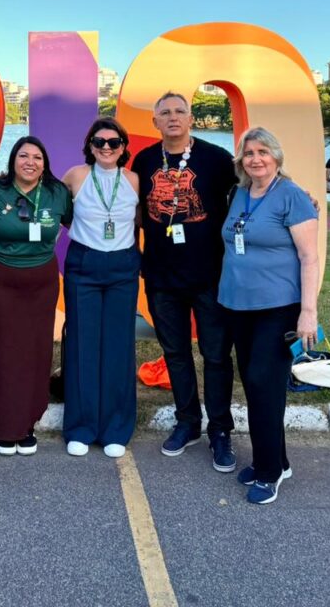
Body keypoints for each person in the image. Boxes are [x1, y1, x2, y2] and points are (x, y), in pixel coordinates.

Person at [130, 92, 237, 472]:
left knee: (216, 355)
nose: (173, 117)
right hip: (161, 277)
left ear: (191, 119)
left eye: (180, 111)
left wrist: (297, 193)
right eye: (165, 113)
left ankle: (220, 429)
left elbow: (258, 182)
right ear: (155, 122)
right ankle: (188, 421)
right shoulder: (144, 161)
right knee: (175, 353)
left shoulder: (217, 159)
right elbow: (132, 210)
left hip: (210, 276)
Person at [218, 127, 319, 505]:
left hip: (278, 307)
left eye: (263, 152)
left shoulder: (292, 196)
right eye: (249, 153)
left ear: (276, 156)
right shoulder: (240, 194)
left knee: (264, 383)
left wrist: (308, 312)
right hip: (237, 305)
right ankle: (278, 459)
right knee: (256, 383)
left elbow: (309, 257)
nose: (256, 159)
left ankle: (268, 472)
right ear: (241, 160)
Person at [0, 136, 72, 456]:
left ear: (45, 163)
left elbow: (81, 226)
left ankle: (28, 424)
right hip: (3, 283)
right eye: (23, 156)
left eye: (37, 157)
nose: (30, 162)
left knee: (38, 352)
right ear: (13, 160)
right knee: (7, 352)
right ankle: (7, 428)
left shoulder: (57, 192)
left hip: (42, 284)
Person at [61, 118, 140, 458]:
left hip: (123, 266)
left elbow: (139, 220)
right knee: (83, 344)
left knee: (118, 346)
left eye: (114, 142)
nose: (106, 147)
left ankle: (115, 428)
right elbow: (61, 213)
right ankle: (81, 427)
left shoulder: (133, 180)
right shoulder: (75, 176)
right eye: (99, 142)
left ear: (123, 147)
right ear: (90, 146)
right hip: (84, 264)